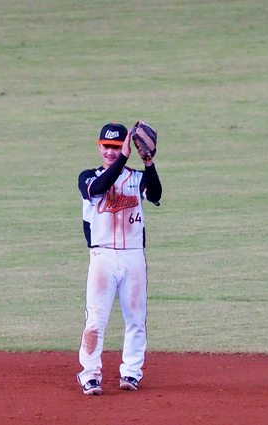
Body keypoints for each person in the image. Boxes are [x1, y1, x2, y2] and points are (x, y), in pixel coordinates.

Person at [76, 122, 162, 396]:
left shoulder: (137, 178)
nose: (110, 152)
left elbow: (156, 194)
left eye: (116, 147)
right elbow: (100, 188)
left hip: (133, 256)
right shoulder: (88, 177)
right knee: (95, 320)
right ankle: (90, 374)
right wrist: (124, 156)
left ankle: (132, 372)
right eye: (106, 146)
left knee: (136, 318)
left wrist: (149, 163)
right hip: (102, 256)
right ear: (99, 146)